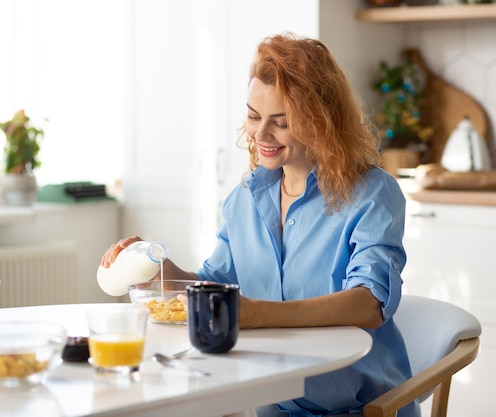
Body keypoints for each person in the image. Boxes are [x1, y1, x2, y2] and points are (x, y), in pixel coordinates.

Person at [100, 33, 417, 417]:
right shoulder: (246, 198)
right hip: (270, 405)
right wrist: (157, 270)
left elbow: (370, 302)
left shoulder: (372, 194)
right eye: (253, 116)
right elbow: (212, 281)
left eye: (280, 123)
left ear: (320, 121)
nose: (261, 135)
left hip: (359, 409)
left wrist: (255, 313)